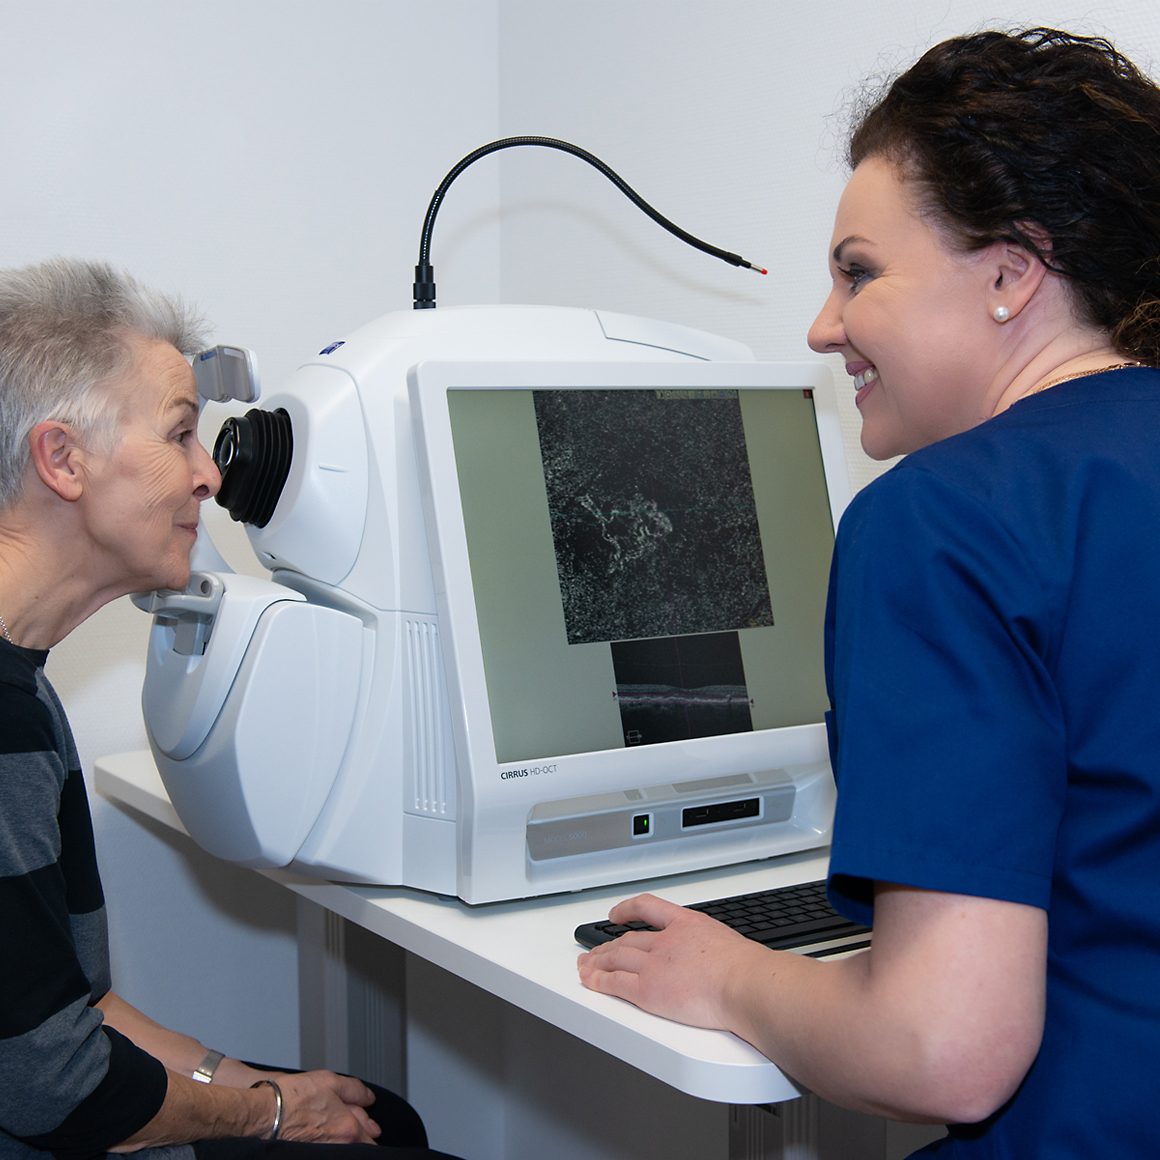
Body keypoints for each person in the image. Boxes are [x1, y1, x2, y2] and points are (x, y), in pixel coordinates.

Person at [578, 27, 1160, 1157]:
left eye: (858, 271)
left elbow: (941, 1044)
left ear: (1008, 273)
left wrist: (732, 975)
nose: (821, 324)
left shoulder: (942, 517)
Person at [0, 258, 457, 1160]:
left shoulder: (24, 680)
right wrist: (274, 1113)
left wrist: (256, 1085)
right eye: (180, 436)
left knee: (379, 1119)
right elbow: (56, 1088)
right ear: (63, 459)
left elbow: (71, 1006)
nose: (209, 476)